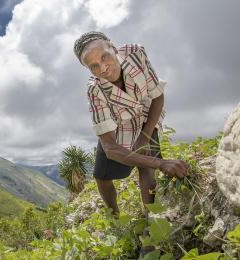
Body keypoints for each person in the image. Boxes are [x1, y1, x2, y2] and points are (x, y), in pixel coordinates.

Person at [73, 31, 189, 256]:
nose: (103, 68)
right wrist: (161, 163)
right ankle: (114, 216)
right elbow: (110, 148)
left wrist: (145, 138)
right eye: (94, 66)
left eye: (105, 57)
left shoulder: (136, 54)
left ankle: (150, 230)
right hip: (117, 128)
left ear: (113, 46)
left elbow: (157, 96)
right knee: (102, 177)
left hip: (147, 117)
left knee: (146, 168)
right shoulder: (95, 89)